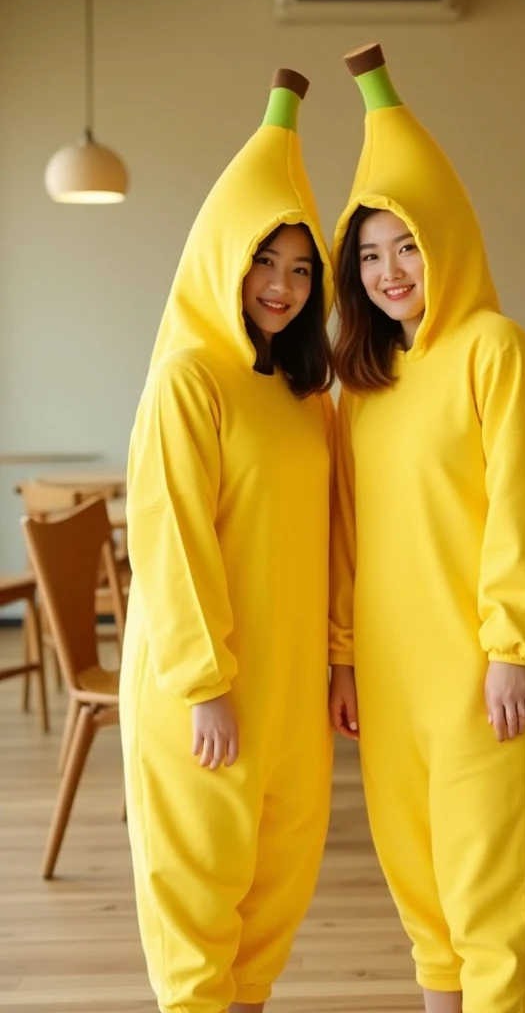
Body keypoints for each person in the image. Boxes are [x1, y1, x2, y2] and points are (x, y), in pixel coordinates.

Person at [329, 43, 525, 1013]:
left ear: (448, 241)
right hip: (390, 681)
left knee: (489, 910)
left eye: (407, 246)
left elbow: (522, 508)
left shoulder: (495, 352)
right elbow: (348, 530)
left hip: (482, 676)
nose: (389, 272)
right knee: (423, 905)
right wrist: (342, 656)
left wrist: (511, 648)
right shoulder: (364, 383)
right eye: (370, 253)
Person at [119, 68, 335, 1013]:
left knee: (272, 897)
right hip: (203, 687)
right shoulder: (187, 380)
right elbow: (168, 543)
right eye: (264, 262)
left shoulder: (302, 397)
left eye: (300, 269)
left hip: (289, 686)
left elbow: (329, 538)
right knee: (199, 897)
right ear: (222, 257)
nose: (281, 287)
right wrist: (206, 686)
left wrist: (339, 659)